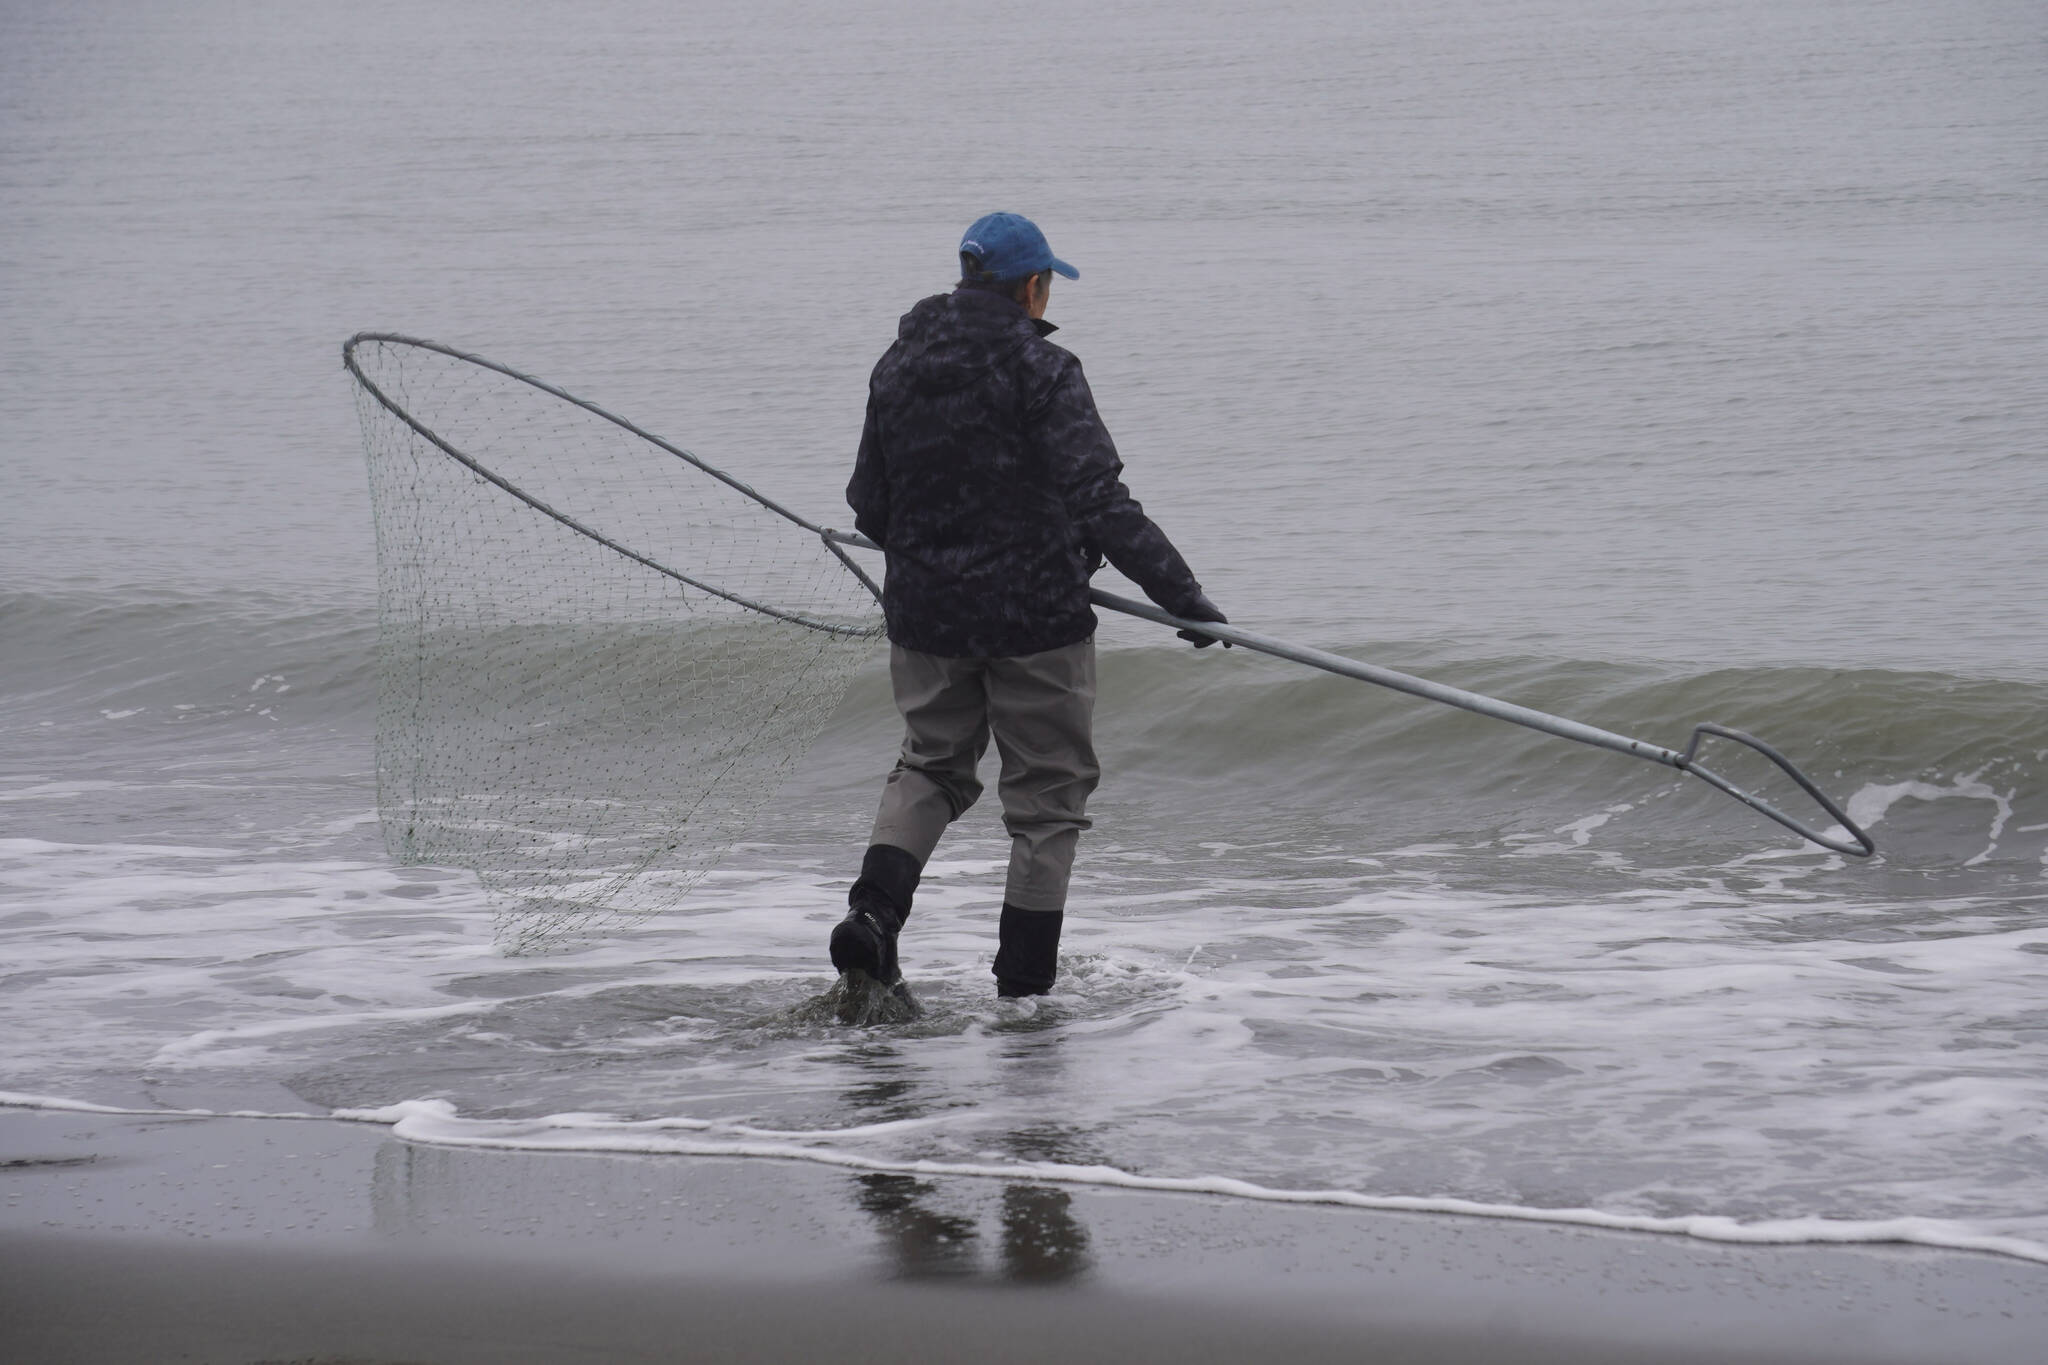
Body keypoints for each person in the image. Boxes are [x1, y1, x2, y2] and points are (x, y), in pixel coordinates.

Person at [835, 211, 1226, 1001]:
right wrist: (1187, 601)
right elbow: (1102, 503)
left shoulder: (896, 366)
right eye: (1046, 285)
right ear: (1030, 286)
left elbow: (868, 504)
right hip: (1035, 621)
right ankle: (1023, 999)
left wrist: (934, 555)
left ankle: (872, 919)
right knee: (1047, 802)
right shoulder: (1041, 367)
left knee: (930, 767)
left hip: (926, 617)